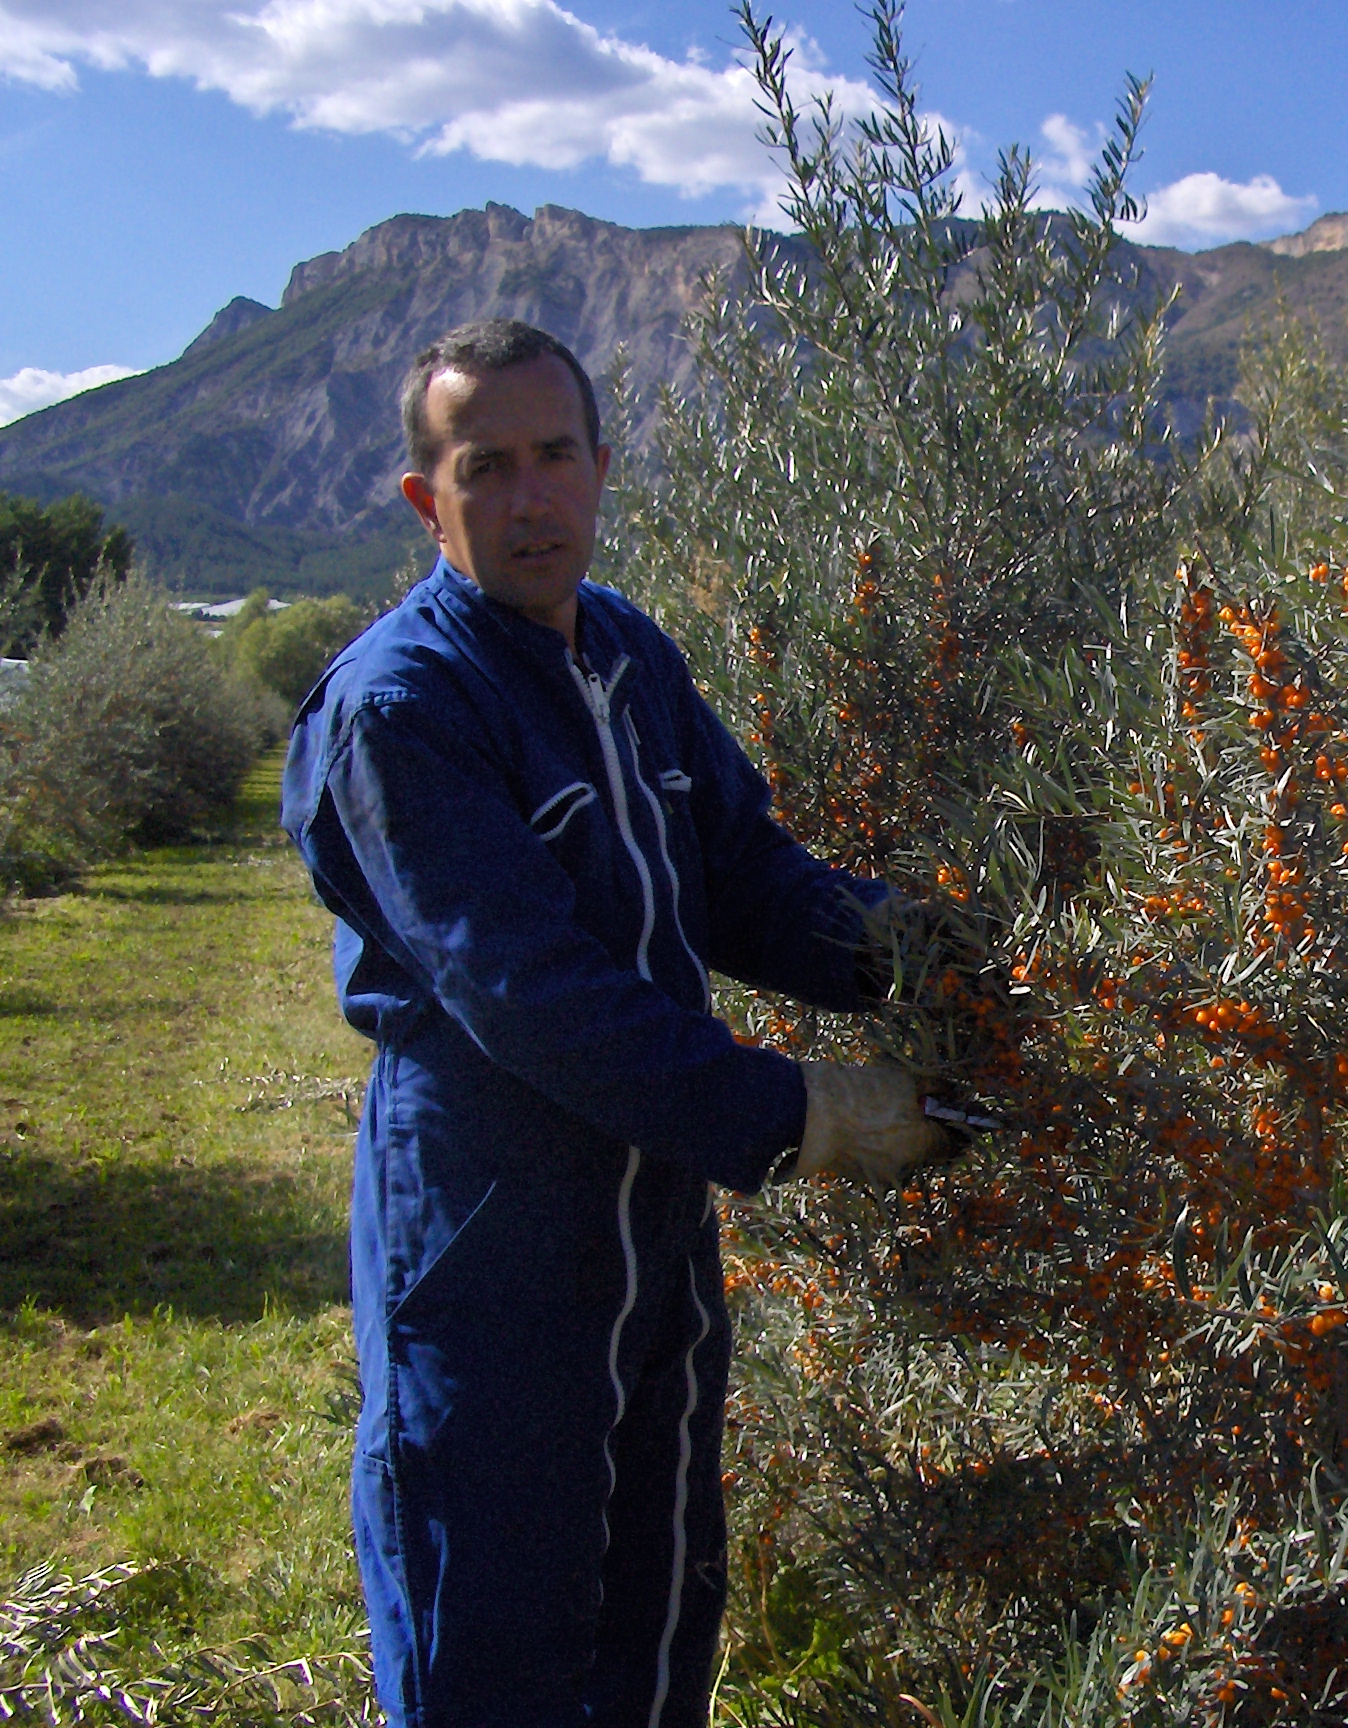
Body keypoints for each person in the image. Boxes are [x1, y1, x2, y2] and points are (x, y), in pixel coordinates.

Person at [281, 318, 952, 1725]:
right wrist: (809, 1115)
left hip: (656, 1234)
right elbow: (535, 997)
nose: (531, 499)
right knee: (494, 1646)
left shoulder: (627, 654)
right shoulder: (401, 707)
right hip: (491, 1233)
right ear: (428, 500)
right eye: (488, 468)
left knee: (656, 1624)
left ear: (600, 465)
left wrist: (930, 956)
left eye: (556, 457)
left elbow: (745, 878)